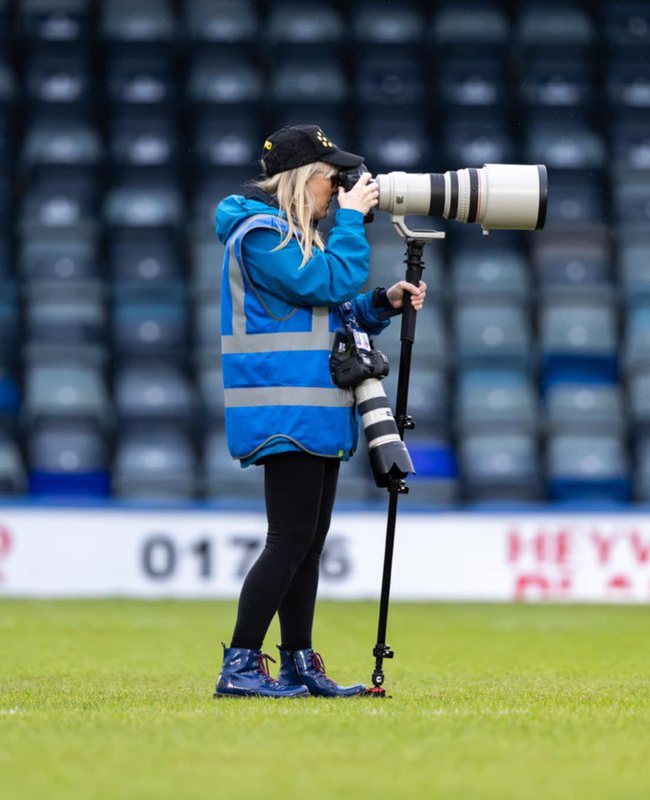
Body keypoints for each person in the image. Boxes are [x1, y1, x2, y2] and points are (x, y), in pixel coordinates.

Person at [212, 124, 426, 698]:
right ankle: (239, 664)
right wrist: (354, 219)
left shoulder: (286, 235)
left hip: (313, 406)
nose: (339, 191)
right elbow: (326, 278)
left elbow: (327, 302)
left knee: (307, 544)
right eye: (333, 180)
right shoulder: (258, 234)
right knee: (288, 540)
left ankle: (298, 662)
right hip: (285, 406)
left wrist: (382, 302)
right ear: (304, 179)